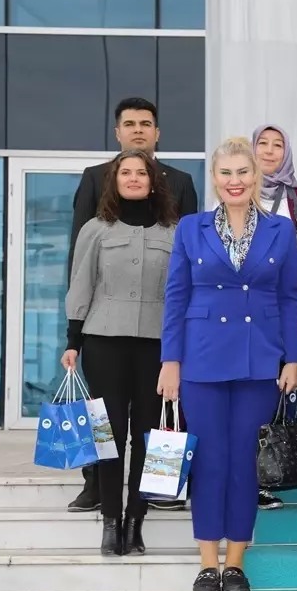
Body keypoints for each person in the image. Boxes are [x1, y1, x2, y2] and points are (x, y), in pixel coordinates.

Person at [158, 137, 297, 591]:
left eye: (243, 172)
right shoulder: (190, 228)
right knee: (208, 462)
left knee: (244, 464)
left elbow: (289, 298)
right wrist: (170, 360)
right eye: (227, 173)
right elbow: (176, 297)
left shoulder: (280, 230)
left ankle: (236, 564)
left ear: (255, 177)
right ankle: (206, 567)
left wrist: (293, 357)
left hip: (258, 361)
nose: (235, 181)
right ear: (215, 179)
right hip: (201, 359)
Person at [66, 97, 199, 514]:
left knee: (154, 418)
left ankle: (157, 488)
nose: (138, 129)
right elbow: (82, 257)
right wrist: (76, 329)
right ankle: (96, 485)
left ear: (157, 133)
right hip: (106, 321)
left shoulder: (179, 182)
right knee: (104, 420)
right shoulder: (94, 180)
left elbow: (191, 257)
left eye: (146, 123)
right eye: (130, 123)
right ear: (118, 132)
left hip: (158, 326)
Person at [63, 150, 178, 556]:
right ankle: (110, 519)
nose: (132, 178)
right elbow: (81, 285)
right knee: (108, 435)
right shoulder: (96, 229)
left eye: (140, 172)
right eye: (124, 173)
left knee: (146, 436)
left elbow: (180, 296)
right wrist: (72, 341)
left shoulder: (174, 232)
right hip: (103, 341)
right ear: (114, 181)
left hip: (156, 346)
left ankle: (136, 519)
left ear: (153, 180)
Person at [252, 123, 297, 512]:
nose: (271, 151)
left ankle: (274, 473)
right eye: (263, 143)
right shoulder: (236, 192)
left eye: (278, 145)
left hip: (286, 306)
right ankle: (249, 478)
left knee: (280, 393)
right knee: (249, 394)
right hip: (245, 311)